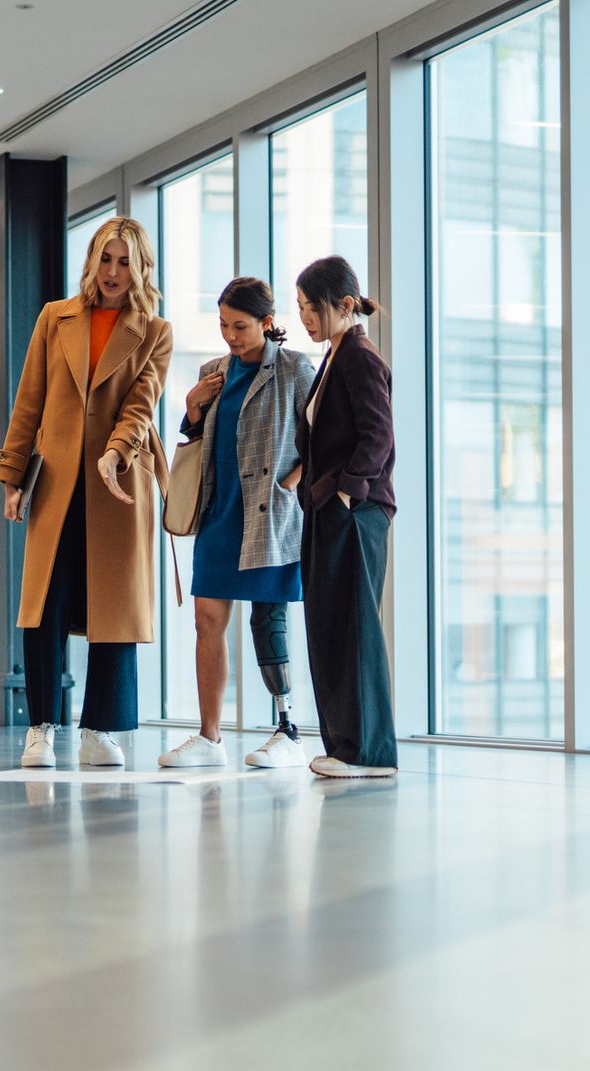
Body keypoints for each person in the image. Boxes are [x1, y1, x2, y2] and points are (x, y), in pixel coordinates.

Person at [0, 216, 173, 768]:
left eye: (125, 261)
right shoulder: (56, 318)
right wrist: (12, 476)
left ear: (141, 267)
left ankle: (101, 729)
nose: (114, 272)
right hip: (55, 481)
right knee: (44, 604)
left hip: (118, 484)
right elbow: (30, 398)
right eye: (106, 258)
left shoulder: (155, 332)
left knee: (113, 606)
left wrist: (116, 453)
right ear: (92, 261)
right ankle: (41, 728)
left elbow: (141, 405)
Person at [158, 277, 316, 770]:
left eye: (240, 326)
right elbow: (197, 443)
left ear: (268, 324)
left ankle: (288, 729)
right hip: (219, 513)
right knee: (207, 621)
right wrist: (191, 409)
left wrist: (293, 480)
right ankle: (209, 738)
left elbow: (322, 433)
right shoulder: (214, 372)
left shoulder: (294, 368)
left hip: (269, 513)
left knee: (268, 621)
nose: (230, 335)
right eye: (223, 324)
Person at [294, 255, 397, 779]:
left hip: (354, 512)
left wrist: (347, 494)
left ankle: (369, 753)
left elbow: (378, 436)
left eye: (313, 308)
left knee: (353, 627)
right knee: (330, 626)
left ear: (346, 305)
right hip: (328, 507)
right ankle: (343, 746)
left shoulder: (359, 356)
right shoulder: (335, 355)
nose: (306, 318)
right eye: (301, 308)